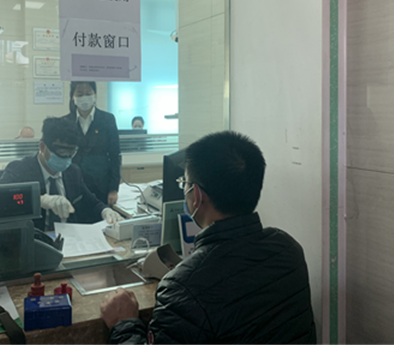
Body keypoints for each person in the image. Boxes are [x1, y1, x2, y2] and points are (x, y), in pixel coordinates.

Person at [100, 131, 317, 344]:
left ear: (196, 195)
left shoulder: (183, 288)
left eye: (184, 183)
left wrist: (124, 324)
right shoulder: (288, 249)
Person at [0, 117, 122, 230]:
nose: (66, 158)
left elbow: (90, 201)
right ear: (42, 147)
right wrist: (40, 199)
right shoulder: (19, 170)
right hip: (35, 240)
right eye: (61, 152)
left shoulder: (73, 172)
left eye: (71, 153)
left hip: (69, 238)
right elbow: (0, 199)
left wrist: (105, 211)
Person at [62, 81, 121, 206]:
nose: (84, 97)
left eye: (88, 93)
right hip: (73, 184)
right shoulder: (65, 122)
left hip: (101, 185)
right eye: (80, 94)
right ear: (72, 97)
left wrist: (113, 188)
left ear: (95, 95)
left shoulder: (107, 119)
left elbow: (115, 155)